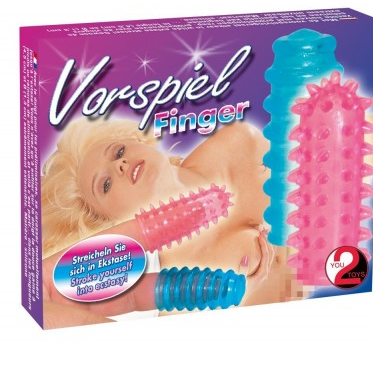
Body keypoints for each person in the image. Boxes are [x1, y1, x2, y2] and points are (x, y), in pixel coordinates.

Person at [41, 118, 302, 327]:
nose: (120, 164)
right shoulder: (175, 292)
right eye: (105, 185)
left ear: (137, 142)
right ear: (108, 220)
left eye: (118, 151)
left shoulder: (237, 142)